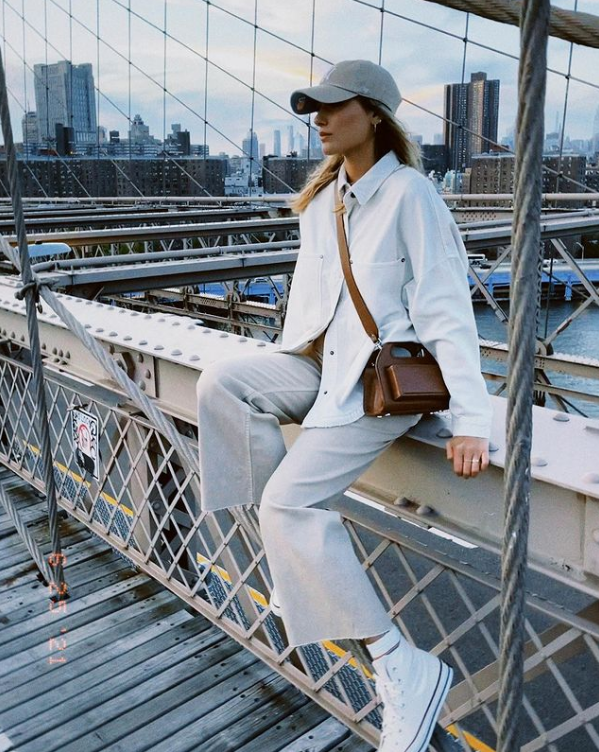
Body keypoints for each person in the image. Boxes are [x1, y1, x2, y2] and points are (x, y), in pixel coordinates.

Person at [197, 59, 492, 752]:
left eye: (334, 107)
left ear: (375, 115)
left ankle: (401, 663)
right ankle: (290, 559)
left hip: (382, 388)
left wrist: (472, 420)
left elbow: (446, 310)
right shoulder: (327, 198)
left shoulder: (411, 194)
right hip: (320, 369)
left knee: (290, 505)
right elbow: (312, 308)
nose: (320, 119)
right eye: (314, 108)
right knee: (222, 385)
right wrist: (285, 357)